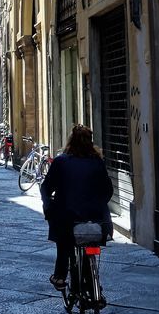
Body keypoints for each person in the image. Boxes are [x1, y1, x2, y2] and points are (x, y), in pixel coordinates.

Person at [40, 124, 113, 290]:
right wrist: (99, 204)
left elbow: (46, 188)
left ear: (70, 141)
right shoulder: (97, 162)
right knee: (90, 245)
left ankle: (59, 276)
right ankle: (93, 283)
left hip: (67, 216)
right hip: (95, 217)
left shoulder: (61, 161)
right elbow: (108, 190)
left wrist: (48, 206)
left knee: (64, 243)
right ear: (90, 142)